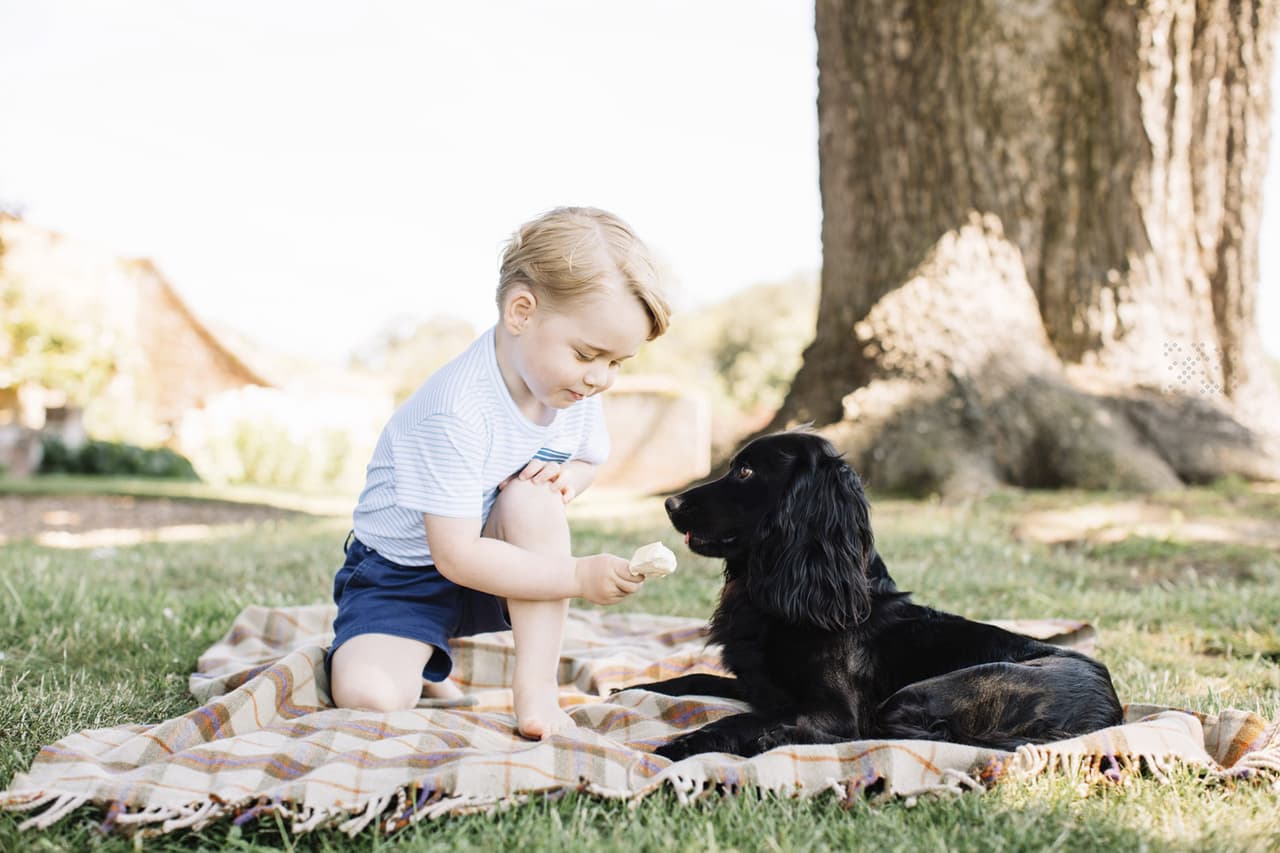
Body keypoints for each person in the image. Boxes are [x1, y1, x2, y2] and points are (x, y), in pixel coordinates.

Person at [328, 206, 671, 739]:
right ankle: (412, 653)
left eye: (617, 363)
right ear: (521, 311)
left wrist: (565, 482)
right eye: (588, 354)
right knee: (370, 698)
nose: (601, 378)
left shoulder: (571, 388)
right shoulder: (456, 411)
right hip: (404, 574)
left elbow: (585, 460)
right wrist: (578, 576)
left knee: (534, 500)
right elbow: (455, 555)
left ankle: (536, 692)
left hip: (498, 561)